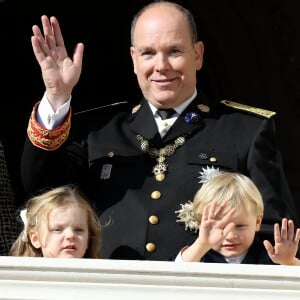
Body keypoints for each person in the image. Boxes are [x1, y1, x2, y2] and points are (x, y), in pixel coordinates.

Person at [20, 1, 298, 260]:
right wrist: (57, 96)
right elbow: (42, 192)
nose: (161, 66)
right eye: (148, 53)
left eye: (174, 51)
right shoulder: (97, 131)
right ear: (134, 59)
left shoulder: (245, 131)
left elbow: (274, 235)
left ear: (198, 55)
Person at [174, 171, 300, 265]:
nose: (231, 236)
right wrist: (201, 245)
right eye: (221, 227)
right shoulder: (198, 252)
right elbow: (173, 275)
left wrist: (289, 262)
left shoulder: (271, 254)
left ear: (257, 222)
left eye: (240, 226)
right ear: (201, 224)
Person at [9, 185, 102, 258]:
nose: (71, 236)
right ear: (35, 238)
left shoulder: (102, 279)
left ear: (88, 238)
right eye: (57, 229)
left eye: (79, 230)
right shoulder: (23, 280)